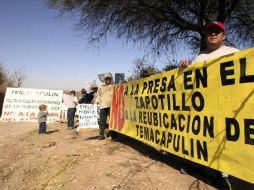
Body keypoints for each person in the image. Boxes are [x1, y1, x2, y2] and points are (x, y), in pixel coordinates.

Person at [180, 21, 239, 188]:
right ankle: (199, 166)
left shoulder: (234, 53)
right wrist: (185, 69)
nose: (212, 34)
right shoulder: (199, 57)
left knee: (222, 139)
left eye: (216, 31)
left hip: (226, 107)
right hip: (203, 109)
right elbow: (191, 82)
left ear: (223, 36)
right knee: (202, 137)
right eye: (209, 32)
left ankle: (222, 175)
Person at [94, 72, 116, 140]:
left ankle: (114, 136)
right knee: (102, 121)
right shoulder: (101, 87)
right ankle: (101, 135)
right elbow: (98, 95)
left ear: (111, 79)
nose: (108, 80)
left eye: (109, 78)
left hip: (112, 106)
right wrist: (96, 101)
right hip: (103, 106)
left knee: (113, 121)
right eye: (106, 79)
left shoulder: (114, 86)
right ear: (104, 79)